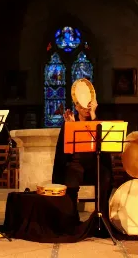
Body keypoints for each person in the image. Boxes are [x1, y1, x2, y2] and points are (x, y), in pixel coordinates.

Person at [51, 83, 113, 221]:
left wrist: (93, 115)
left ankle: (101, 218)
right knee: (71, 176)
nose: (86, 109)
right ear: (77, 107)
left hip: (93, 165)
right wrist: (70, 126)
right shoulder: (70, 122)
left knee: (106, 176)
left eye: (88, 105)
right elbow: (64, 151)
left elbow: (104, 148)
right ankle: (72, 219)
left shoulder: (97, 121)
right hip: (76, 165)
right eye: (83, 106)